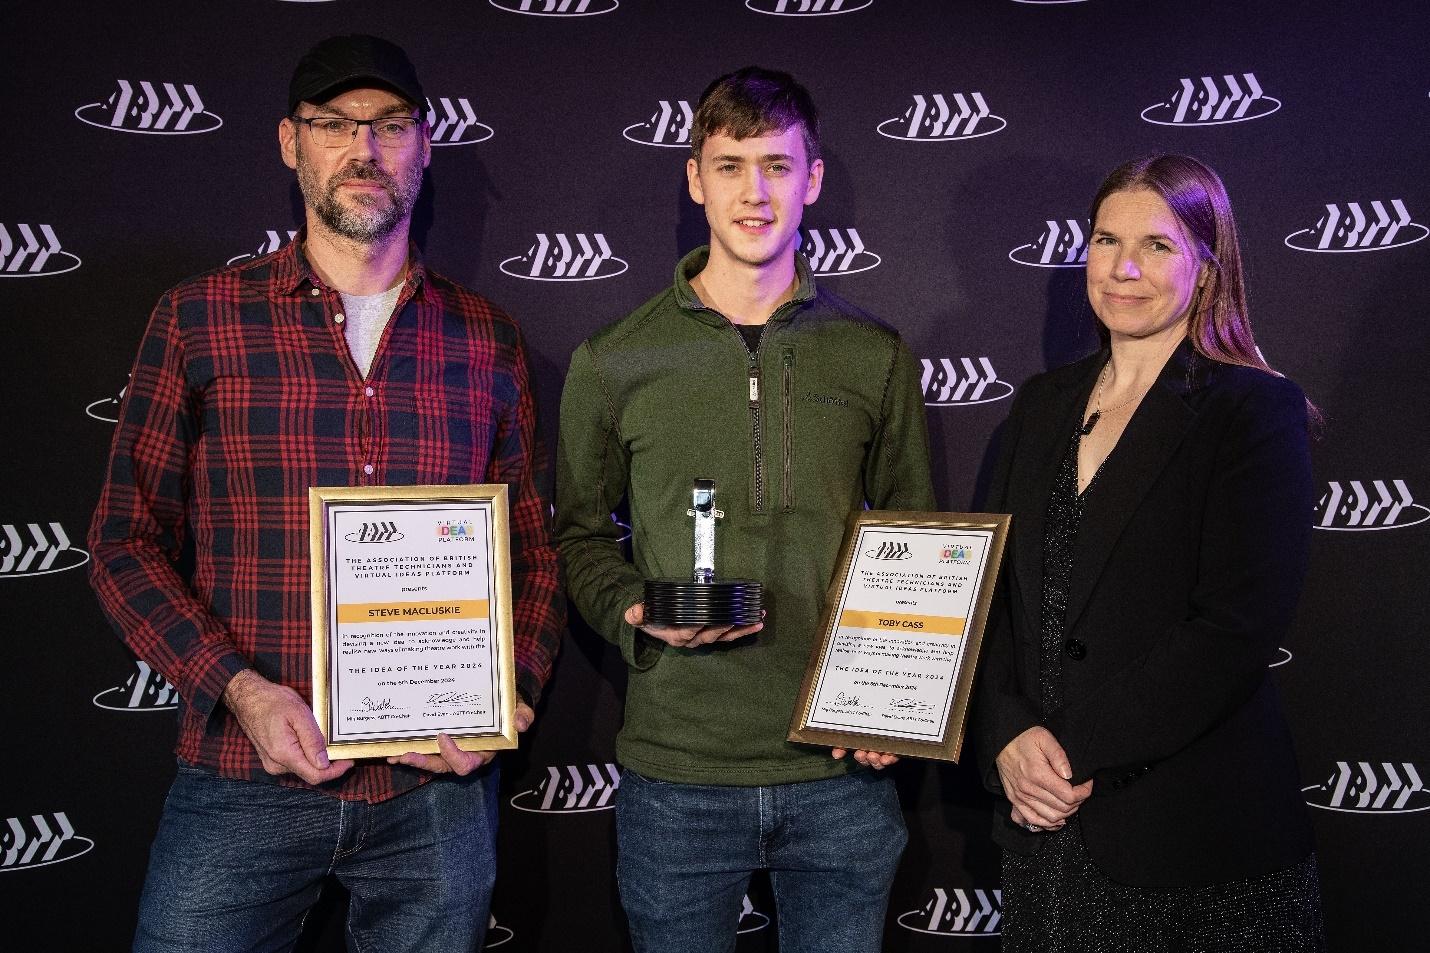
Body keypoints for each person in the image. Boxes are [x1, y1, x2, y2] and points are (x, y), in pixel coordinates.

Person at [87, 34, 562, 953]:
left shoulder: (486, 337)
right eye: (334, 124)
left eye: (388, 126)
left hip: (436, 791)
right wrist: (239, 690)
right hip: (242, 776)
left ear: (424, 146)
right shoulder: (198, 318)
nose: (364, 149)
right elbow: (123, 541)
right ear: (288, 142)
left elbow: (534, 552)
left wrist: (514, 694)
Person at [554, 67, 935, 952]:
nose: (753, 192)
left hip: (840, 770)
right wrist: (636, 610)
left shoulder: (874, 355)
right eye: (729, 166)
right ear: (694, 179)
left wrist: (898, 705)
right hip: (678, 771)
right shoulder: (614, 359)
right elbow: (577, 534)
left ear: (813, 179)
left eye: (775, 164)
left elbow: (920, 545)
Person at [973, 154, 1325, 950]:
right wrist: (1006, 735)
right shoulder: (1038, 407)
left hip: (1194, 840)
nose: (1124, 267)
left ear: (1207, 268)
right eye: (1105, 240)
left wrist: (1062, 752)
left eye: (1158, 246)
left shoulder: (1252, 410)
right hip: (1044, 836)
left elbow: (1232, 631)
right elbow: (990, 599)